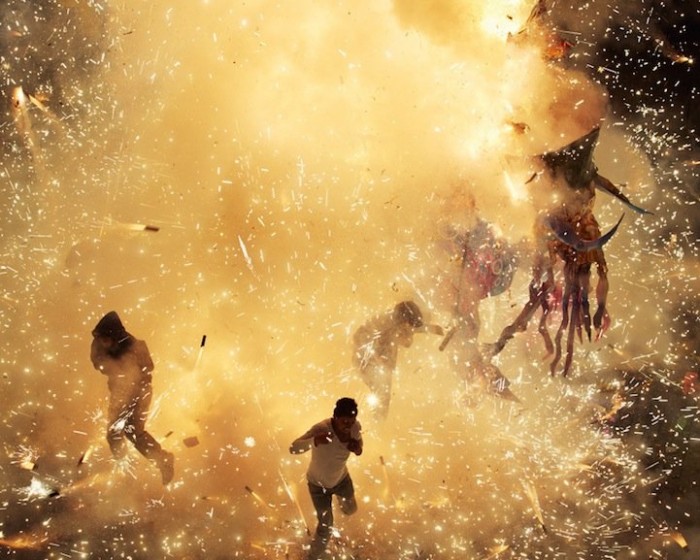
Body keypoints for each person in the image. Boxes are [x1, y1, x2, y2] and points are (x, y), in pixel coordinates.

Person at [90, 311, 174, 485]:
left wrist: (130, 370)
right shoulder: (98, 342)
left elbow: (148, 367)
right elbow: (97, 363)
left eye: (106, 339)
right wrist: (114, 368)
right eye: (102, 340)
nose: (103, 343)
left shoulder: (134, 346)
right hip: (119, 392)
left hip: (140, 392)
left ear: (115, 335)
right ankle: (122, 467)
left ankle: (162, 461)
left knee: (132, 430)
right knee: (113, 433)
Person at [289, 398, 363, 560]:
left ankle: (339, 504)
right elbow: (293, 448)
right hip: (318, 486)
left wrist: (357, 448)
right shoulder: (321, 428)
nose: (348, 426)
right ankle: (311, 557)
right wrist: (315, 440)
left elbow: (359, 444)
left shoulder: (355, 427)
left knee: (351, 509)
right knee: (326, 526)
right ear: (335, 417)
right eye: (344, 422)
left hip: (342, 480)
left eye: (351, 422)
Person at [352, 300, 443, 419]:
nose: (409, 331)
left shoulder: (404, 323)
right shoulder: (382, 322)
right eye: (407, 327)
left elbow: (413, 331)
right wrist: (375, 356)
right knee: (380, 396)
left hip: (383, 365)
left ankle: (378, 423)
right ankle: (373, 423)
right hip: (367, 363)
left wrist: (434, 329)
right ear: (403, 321)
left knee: (383, 398)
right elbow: (359, 336)